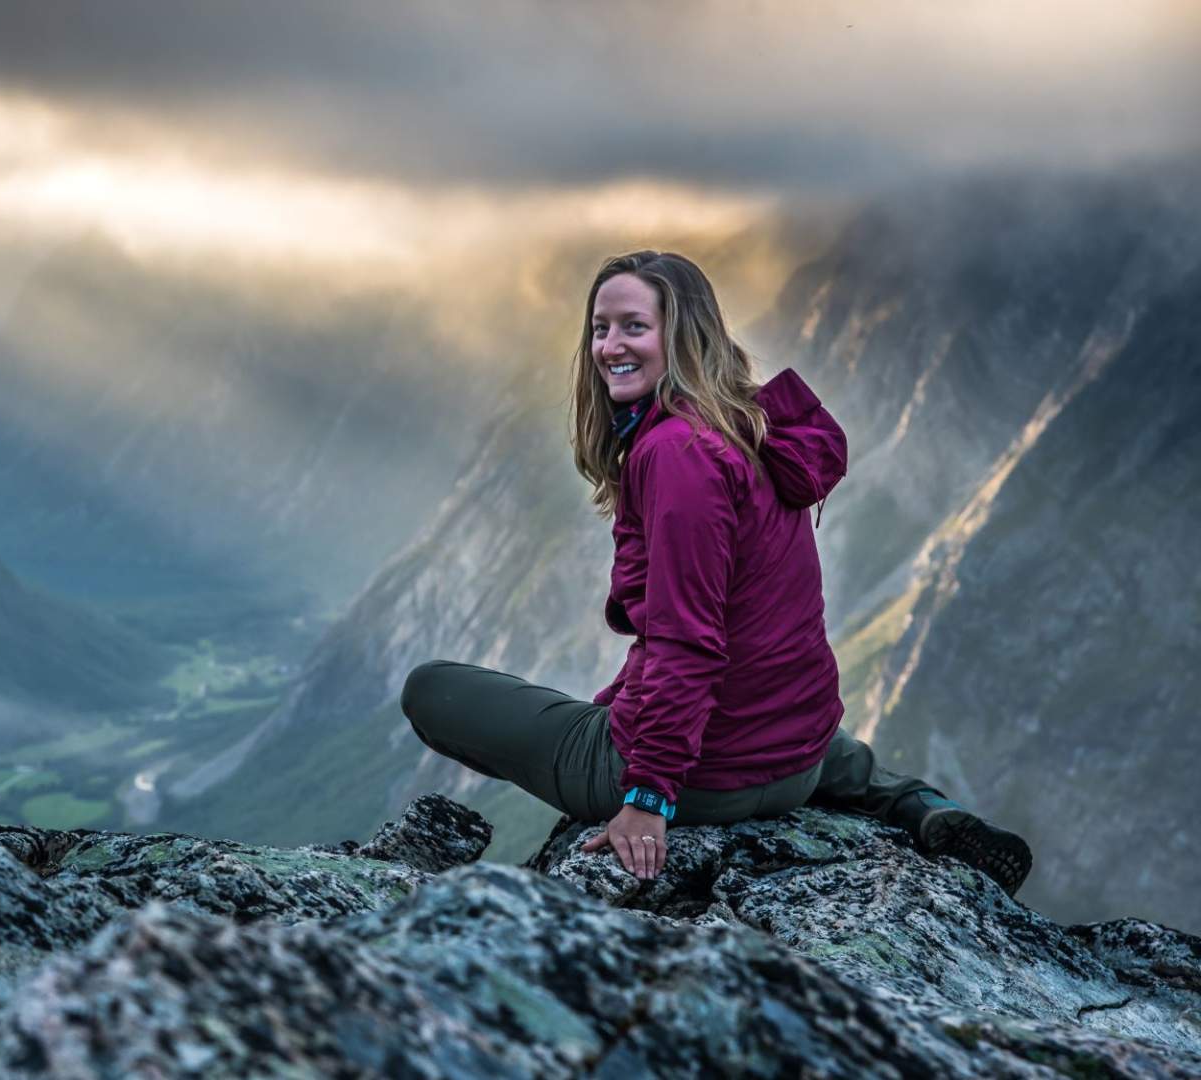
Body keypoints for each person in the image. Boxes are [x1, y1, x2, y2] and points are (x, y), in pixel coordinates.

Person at [400, 250, 1032, 893]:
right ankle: (920, 807)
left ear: (682, 336)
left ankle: (684, 772)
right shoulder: (749, 427)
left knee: (433, 690)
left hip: (706, 780)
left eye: (634, 327)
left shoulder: (676, 455)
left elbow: (688, 642)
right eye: (600, 328)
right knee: (828, 749)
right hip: (797, 757)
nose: (610, 346)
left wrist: (647, 797)